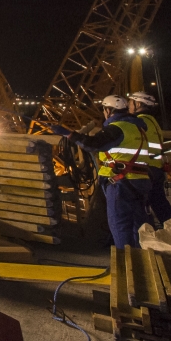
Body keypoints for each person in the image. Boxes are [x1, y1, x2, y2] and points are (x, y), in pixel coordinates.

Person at [70, 95, 152, 249]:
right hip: (140, 180)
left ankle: (125, 263)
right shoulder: (136, 127)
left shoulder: (116, 128)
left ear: (108, 110)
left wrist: (70, 135)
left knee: (120, 224)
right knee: (137, 224)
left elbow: (93, 144)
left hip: (120, 183)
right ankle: (140, 260)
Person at [128, 91, 171, 225]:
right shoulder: (153, 121)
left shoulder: (138, 122)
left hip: (144, 170)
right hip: (156, 168)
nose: (128, 106)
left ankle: (143, 237)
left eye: (130, 103)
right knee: (160, 203)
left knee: (139, 206)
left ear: (138, 103)